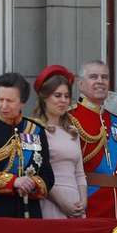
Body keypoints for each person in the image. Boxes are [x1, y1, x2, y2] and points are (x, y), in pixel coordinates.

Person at [0, 73, 53, 218]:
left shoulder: (35, 130)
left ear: (22, 102)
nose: (4, 106)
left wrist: (31, 183)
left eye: (10, 101)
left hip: (29, 212)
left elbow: (48, 176)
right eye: (0, 99)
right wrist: (14, 182)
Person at [68, 60, 117, 218]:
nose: (100, 81)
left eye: (104, 77)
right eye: (93, 77)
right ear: (81, 83)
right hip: (87, 205)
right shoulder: (69, 118)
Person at [33, 65, 87, 219]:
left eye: (67, 96)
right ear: (44, 97)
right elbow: (38, 174)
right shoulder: (35, 130)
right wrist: (62, 203)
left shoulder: (72, 131)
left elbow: (79, 173)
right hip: (50, 202)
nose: (63, 101)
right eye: (57, 95)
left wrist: (83, 201)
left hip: (76, 203)